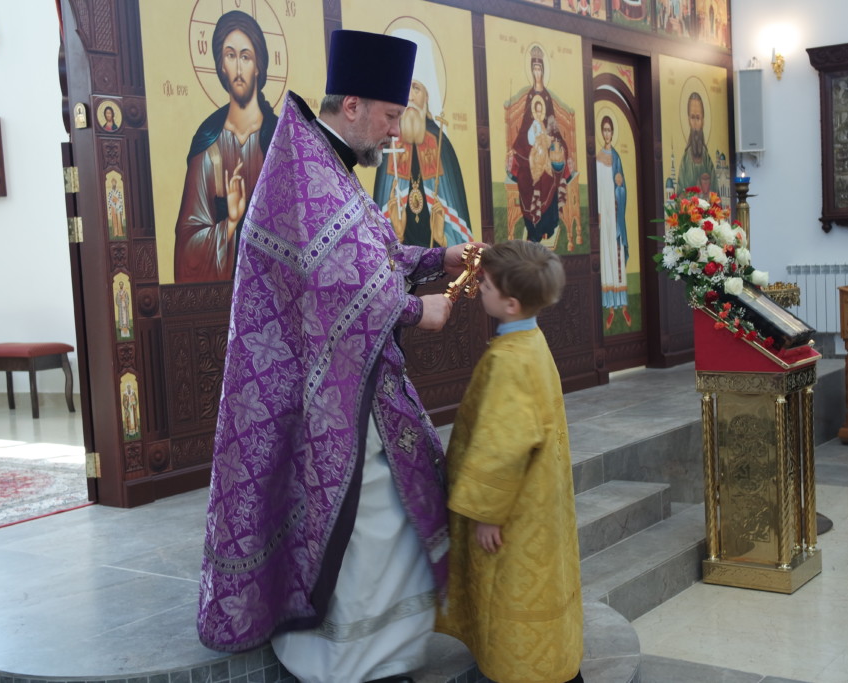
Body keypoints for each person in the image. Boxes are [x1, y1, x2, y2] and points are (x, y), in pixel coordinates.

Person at [198, 29, 481, 683]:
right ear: (352, 105)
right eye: (389, 116)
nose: (395, 133)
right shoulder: (308, 171)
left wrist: (440, 258)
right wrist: (417, 310)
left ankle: (383, 654)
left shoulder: (326, 165)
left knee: (390, 512)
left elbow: (373, 255)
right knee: (366, 518)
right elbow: (346, 282)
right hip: (317, 392)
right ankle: (348, 661)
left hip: (345, 381)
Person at [437, 240, 584, 683]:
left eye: (487, 286)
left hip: (512, 513)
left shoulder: (508, 360)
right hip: (536, 497)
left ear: (511, 303)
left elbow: (504, 445)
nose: (479, 289)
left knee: (509, 590)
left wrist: (487, 514)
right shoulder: (533, 341)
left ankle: (517, 672)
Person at [173, 10, 278, 282]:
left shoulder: (280, 138)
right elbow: (187, 241)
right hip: (227, 295)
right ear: (222, 66)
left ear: (258, 65)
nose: (239, 69)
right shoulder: (208, 144)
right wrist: (231, 222)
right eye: (230, 56)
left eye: (246, 56)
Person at [373, 31, 473, 249]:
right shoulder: (390, 142)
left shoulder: (440, 144)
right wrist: (396, 235)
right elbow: (382, 207)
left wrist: (443, 238)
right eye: (405, 88)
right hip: (401, 255)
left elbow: (456, 219)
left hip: (439, 255)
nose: (409, 96)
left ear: (427, 96)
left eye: (416, 88)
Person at [507, 45, 572, 243]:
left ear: (543, 71)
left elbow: (553, 126)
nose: (537, 73)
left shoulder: (547, 98)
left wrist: (554, 143)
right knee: (528, 175)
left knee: (550, 173)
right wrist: (521, 149)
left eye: (540, 69)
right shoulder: (529, 97)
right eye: (534, 69)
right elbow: (524, 130)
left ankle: (548, 225)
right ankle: (533, 227)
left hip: (546, 151)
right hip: (531, 154)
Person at [596, 115, 630, 331]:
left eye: (610, 130)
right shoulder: (597, 158)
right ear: (602, 132)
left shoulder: (616, 157)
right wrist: (599, 212)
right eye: (604, 130)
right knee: (606, 257)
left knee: (617, 256)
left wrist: (619, 188)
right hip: (604, 215)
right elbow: (597, 187)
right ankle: (610, 308)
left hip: (615, 215)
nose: (607, 133)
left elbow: (622, 188)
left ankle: (623, 305)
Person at [678, 91, 715, 197]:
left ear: (703, 121)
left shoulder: (707, 160)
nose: (695, 124)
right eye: (692, 117)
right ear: (688, 120)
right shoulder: (685, 160)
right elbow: (679, 195)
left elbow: (716, 194)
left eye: (698, 118)